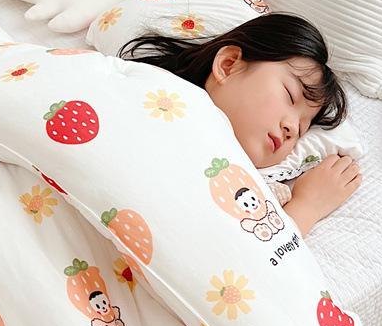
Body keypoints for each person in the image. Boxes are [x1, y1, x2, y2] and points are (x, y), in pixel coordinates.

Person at [118, 13, 362, 236]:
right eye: (290, 95)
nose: (292, 129)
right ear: (228, 65)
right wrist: (306, 209)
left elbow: (232, 253)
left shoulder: (248, 188)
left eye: (303, 127)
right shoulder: (145, 95)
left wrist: (306, 204)